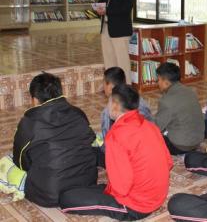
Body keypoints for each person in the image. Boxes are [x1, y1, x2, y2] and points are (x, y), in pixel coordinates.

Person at [60, 84, 173, 220]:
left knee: (66, 198)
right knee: (90, 189)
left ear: (115, 106)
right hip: (158, 196)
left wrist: (108, 191)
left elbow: (121, 187)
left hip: (136, 206)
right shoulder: (150, 126)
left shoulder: (116, 135)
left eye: (108, 101)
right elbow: (168, 162)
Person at [12, 73, 97, 207]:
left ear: (34, 99)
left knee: (7, 163)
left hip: (48, 194)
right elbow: (90, 140)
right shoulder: (78, 113)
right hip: (87, 183)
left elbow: (21, 163)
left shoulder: (29, 123)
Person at [96, 0, 133, 85]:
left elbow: (126, 9)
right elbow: (102, 2)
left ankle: (126, 87)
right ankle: (111, 87)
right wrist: (99, 9)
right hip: (106, 28)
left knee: (122, 61)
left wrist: (107, 11)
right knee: (109, 60)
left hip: (120, 30)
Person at [154, 62, 204, 155]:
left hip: (180, 146)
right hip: (197, 141)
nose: (158, 83)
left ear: (166, 82)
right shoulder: (190, 91)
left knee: (150, 138)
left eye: (159, 80)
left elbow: (156, 127)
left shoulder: (166, 101)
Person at [100, 67, 152, 150]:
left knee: (95, 142)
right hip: (148, 142)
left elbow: (107, 143)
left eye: (103, 83)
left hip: (126, 148)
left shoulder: (108, 112)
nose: (103, 87)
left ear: (110, 87)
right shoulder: (137, 97)